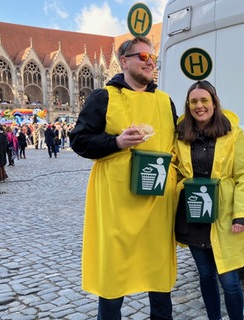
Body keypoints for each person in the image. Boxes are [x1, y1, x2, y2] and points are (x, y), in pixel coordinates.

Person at [69, 36, 178, 320]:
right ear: (124, 61)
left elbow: (180, 146)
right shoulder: (103, 97)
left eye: (152, 57)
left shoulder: (165, 101)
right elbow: (79, 140)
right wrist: (116, 142)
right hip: (116, 206)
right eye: (142, 57)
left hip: (157, 205)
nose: (150, 61)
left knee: (159, 280)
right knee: (113, 281)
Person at [174, 80, 244, 320]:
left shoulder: (232, 133)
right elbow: (174, 169)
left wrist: (242, 215)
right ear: (188, 105)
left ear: (213, 102)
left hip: (225, 216)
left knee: (229, 281)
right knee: (206, 275)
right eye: (194, 102)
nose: (199, 106)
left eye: (204, 100)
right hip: (194, 215)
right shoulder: (180, 135)